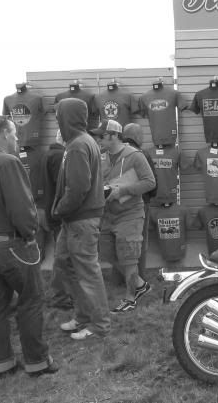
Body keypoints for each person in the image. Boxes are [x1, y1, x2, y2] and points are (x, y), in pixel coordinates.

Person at [0, 115, 58, 377]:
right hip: (11, 244)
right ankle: (37, 362)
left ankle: (3, 363)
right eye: (15, 134)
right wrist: (30, 234)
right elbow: (22, 207)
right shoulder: (8, 162)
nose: (17, 139)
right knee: (31, 300)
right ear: (5, 134)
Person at [52, 97, 110, 340]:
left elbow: (78, 187)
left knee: (87, 272)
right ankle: (84, 316)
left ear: (67, 118)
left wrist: (60, 209)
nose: (56, 120)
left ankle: (99, 325)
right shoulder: (80, 142)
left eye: (58, 116)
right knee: (65, 264)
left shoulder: (78, 145)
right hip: (75, 219)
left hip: (80, 219)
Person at [92, 120, 156, 313]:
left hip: (130, 214)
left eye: (102, 136)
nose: (98, 139)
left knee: (129, 258)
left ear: (114, 136)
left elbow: (150, 182)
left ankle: (130, 298)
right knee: (106, 252)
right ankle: (140, 284)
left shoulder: (135, 156)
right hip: (108, 214)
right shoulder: (101, 157)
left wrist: (122, 191)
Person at [38, 129, 73, 309]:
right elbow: (65, 187)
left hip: (50, 210)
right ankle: (61, 296)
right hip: (60, 213)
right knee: (63, 257)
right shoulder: (60, 156)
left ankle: (63, 294)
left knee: (62, 256)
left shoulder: (48, 154)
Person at [122, 123, 156, 279]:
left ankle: (120, 277)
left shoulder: (114, 152)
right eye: (141, 135)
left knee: (121, 239)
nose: (143, 138)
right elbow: (152, 182)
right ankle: (138, 278)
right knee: (139, 241)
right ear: (135, 136)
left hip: (119, 202)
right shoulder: (141, 154)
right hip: (140, 203)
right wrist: (150, 196)